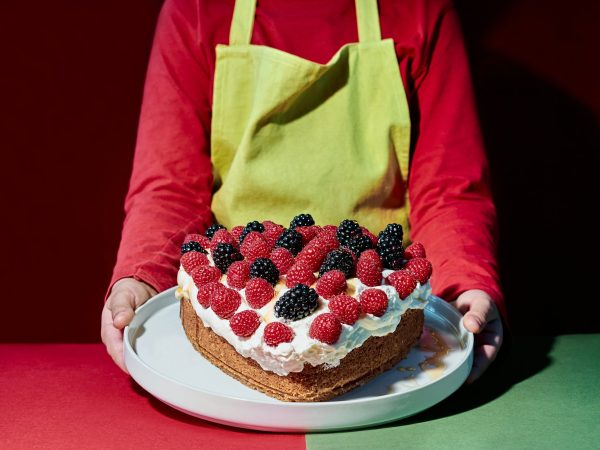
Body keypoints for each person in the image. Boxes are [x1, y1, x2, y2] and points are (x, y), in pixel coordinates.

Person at [101, 0, 505, 384]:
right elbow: (171, 186)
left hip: (376, 291)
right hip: (242, 295)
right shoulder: (197, 9)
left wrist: (464, 283)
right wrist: (142, 276)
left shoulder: (420, 9)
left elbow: (449, 187)